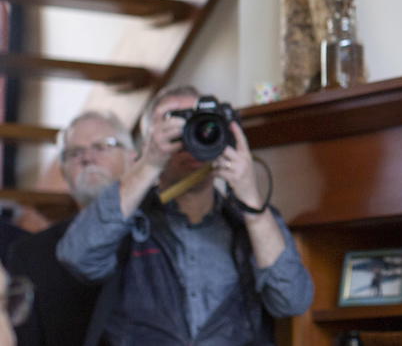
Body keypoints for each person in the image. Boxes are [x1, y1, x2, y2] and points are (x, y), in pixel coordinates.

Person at [57, 85, 313, 345]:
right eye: (173, 121)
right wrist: (149, 164)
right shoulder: (129, 221)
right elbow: (78, 257)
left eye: (196, 119)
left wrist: (249, 196)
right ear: (147, 142)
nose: (187, 134)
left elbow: (291, 300)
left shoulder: (249, 220)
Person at [7, 111, 136, 346]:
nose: (87, 158)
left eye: (102, 147)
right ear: (65, 172)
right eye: (74, 153)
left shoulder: (159, 233)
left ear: (132, 158)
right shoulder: (30, 254)